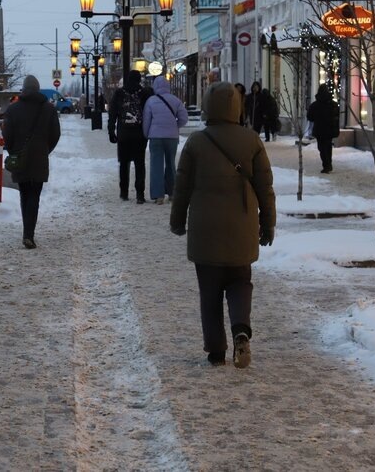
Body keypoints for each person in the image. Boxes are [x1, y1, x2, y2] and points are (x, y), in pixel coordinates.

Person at [170, 82, 276, 369]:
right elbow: (265, 188)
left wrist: (177, 221)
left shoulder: (196, 143)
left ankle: (216, 350)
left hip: (205, 228)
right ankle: (241, 329)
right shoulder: (252, 141)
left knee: (210, 290)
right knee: (241, 281)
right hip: (242, 224)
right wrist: (268, 224)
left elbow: (181, 188)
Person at [2, 75, 61, 249]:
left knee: (24, 193)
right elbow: (55, 134)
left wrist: (14, 152)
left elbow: (7, 136)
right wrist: (45, 150)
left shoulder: (13, 110)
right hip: (39, 158)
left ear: (24, 89)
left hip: (20, 158)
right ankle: (29, 234)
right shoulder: (48, 109)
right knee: (34, 195)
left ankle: (26, 232)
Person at [108, 70, 152, 203]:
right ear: (139, 80)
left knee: (124, 164)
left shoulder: (119, 93)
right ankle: (140, 194)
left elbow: (112, 114)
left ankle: (124, 192)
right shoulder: (145, 93)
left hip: (123, 134)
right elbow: (150, 112)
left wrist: (111, 131)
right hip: (140, 134)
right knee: (140, 164)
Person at [143, 76, 188, 204]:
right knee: (171, 164)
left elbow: (147, 120)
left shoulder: (151, 101)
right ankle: (172, 193)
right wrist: (175, 126)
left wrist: (147, 134)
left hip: (156, 137)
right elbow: (184, 118)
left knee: (156, 165)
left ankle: (158, 195)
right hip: (172, 137)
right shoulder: (176, 100)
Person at [306, 84, 341, 173]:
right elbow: (336, 117)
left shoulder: (315, 105)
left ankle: (326, 165)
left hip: (320, 130)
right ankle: (328, 163)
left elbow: (310, 117)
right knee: (328, 147)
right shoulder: (333, 104)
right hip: (330, 129)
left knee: (321, 147)